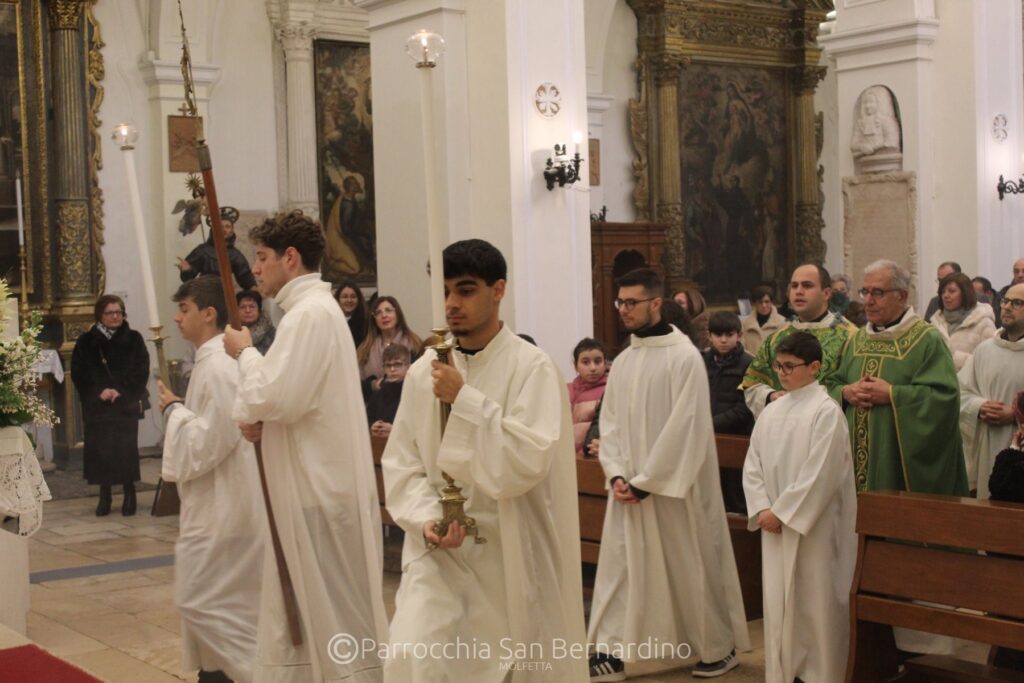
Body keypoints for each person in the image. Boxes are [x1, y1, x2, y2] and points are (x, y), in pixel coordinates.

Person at [382, 238, 587, 681]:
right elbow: (403, 461)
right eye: (446, 292)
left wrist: (465, 399)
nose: (452, 304)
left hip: (510, 550)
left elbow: (527, 459)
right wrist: (426, 517)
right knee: (415, 656)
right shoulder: (423, 373)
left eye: (466, 290)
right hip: (440, 551)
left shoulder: (532, 368)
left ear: (499, 290)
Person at [222, 210, 387, 681]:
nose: (254, 269)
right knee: (317, 618)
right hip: (314, 485)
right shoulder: (311, 312)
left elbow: (276, 395)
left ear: (290, 258)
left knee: (334, 619)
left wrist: (246, 351)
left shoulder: (310, 315)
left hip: (317, 490)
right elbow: (284, 400)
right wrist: (259, 420)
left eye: (262, 257)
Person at [588, 268, 749, 681]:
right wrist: (618, 474)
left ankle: (718, 645)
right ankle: (611, 649)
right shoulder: (623, 360)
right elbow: (611, 423)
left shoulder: (684, 357)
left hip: (677, 485)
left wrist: (648, 481)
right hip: (629, 485)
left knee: (691, 561)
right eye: (619, 302)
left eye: (631, 302)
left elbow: (689, 424)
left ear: (655, 304)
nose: (623, 310)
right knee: (620, 563)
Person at [829, 259, 968, 657]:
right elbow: (833, 381)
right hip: (856, 478)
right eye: (864, 292)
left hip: (901, 477)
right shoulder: (854, 340)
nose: (868, 301)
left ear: (902, 296)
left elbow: (945, 399)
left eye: (877, 293)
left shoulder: (926, 340)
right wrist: (845, 393)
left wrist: (895, 396)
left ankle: (918, 645)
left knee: (905, 556)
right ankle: (867, 642)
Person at [157, 276, 264, 683]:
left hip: (227, 507)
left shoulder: (218, 366)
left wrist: (174, 413)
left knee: (211, 605)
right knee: (211, 609)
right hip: (217, 502)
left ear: (209, 313)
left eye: (184, 309)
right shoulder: (210, 361)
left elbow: (211, 440)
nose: (177, 317)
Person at [742, 332, 857, 683]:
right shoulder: (772, 411)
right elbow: (753, 465)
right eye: (779, 366)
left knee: (815, 603)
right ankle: (783, 672)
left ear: (815, 367)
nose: (782, 373)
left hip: (815, 530)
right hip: (774, 524)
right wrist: (763, 508)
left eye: (790, 367)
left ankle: (820, 674)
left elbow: (820, 473)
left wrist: (783, 513)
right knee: (779, 603)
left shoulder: (826, 412)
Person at [741, 264, 856, 419]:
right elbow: (752, 383)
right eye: (794, 286)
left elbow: (857, 391)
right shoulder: (776, 338)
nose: (799, 291)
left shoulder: (850, 337)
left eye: (807, 285)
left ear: (827, 293)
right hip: (783, 429)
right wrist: (770, 396)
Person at [71, 294, 150, 517]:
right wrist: (99, 391)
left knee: (126, 451)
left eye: (119, 312)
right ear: (100, 315)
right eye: (110, 312)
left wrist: (121, 390)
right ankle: (104, 496)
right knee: (101, 452)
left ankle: (129, 493)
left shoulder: (134, 338)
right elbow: (79, 372)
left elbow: (141, 369)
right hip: (99, 407)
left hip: (124, 405)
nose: (115, 316)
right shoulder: (87, 341)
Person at [959, 283, 1024, 497]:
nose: (1006, 307)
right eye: (1005, 300)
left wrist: (1017, 415)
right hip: (988, 446)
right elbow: (961, 392)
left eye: (1017, 303)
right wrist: (979, 406)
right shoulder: (985, 350)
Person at [704, 311, 754, 515]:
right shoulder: (702, 360)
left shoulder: (749, 363)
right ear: (710, 336)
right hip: (708, 436)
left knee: (735, 493)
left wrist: (712, 423)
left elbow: (746, 407)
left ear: (739, 335)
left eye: (729, 334)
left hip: (737, 436)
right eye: (718, 335)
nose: (723, 340)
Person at [177, 207, 257, 291]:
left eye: (227, 226)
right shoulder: (202, 250)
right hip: (203, 292)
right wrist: (187, 270)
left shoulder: (235, 255)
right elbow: (188, 277)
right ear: (214, 229)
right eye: (220, 226)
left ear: (232, 230)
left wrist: (253, 287)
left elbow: (244, 275)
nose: (224, 230)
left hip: (224, 293)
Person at [930, 271, 996, 371]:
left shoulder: (983, 322)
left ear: (965, 293)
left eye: (951, 291)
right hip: (939, 383)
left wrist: (955, 359)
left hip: (968, 385)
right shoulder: (935, 322)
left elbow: (990, 362)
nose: (946, 295)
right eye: (943, 292)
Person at [357, 295, 423, 389]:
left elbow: (422, 378)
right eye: (378, 313)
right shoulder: (365, 348)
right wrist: (373, 385)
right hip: (376, 401)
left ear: (397, 314)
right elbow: (356, 384)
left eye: (388, 310)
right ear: (374, 319)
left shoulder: (414, 344)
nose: (384, 315)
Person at [568, 337, 608, 456]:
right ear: (576, 366)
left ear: (605, 363)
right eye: (585, 362)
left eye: (598, 361)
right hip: (568, 458)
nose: (593, 368)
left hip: (594, 456)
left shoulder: (610, 390)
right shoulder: (566, 390)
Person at [366, 343, 410, 439]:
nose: (392, 369)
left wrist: (395, 430)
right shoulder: (377, 396)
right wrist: (372, 427)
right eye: (388, 365)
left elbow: (418, 426)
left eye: (397, 364)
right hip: (378, 444)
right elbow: (367, 420)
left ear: (408, 366)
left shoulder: (412, 393)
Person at [740, 284, 786, 354]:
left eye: (767, 302)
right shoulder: (745, 324)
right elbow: (742, 348)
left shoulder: (782, 324)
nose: (764, 305)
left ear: (771, 302)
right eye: (760, 302)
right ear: (755, 303)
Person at [237, 290, 276, 355]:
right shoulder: (230, 334)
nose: (247, 310)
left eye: (252, 307)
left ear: (259, 310)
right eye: (243, 307)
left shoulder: (272, 334)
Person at [335, 280, 369, 347]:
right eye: (345, 297)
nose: (349, 300)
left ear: (359, 299)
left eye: (353, 297)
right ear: (338, 299)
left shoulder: (367, 323)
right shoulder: (332, 321)